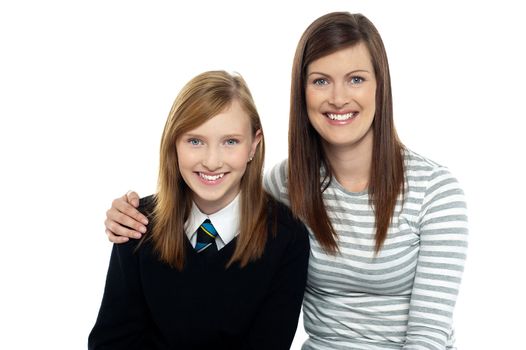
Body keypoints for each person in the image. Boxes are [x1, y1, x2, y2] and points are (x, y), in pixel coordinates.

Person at [104, 12, 468, 350]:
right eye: (320, 81)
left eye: (356, 79)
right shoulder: (285, 183)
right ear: (302, 91)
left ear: (380, 87)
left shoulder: (435, 193)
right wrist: (129, 214)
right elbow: (216, 198)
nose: (338, 98)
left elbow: (428, 336)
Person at [89, 70, 310, 349]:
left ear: (254, 145)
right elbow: (111, 342)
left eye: (230, 142)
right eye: (195, 141)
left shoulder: (286, 238)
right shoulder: (137, 223)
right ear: (175, 144)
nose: (212, 161)